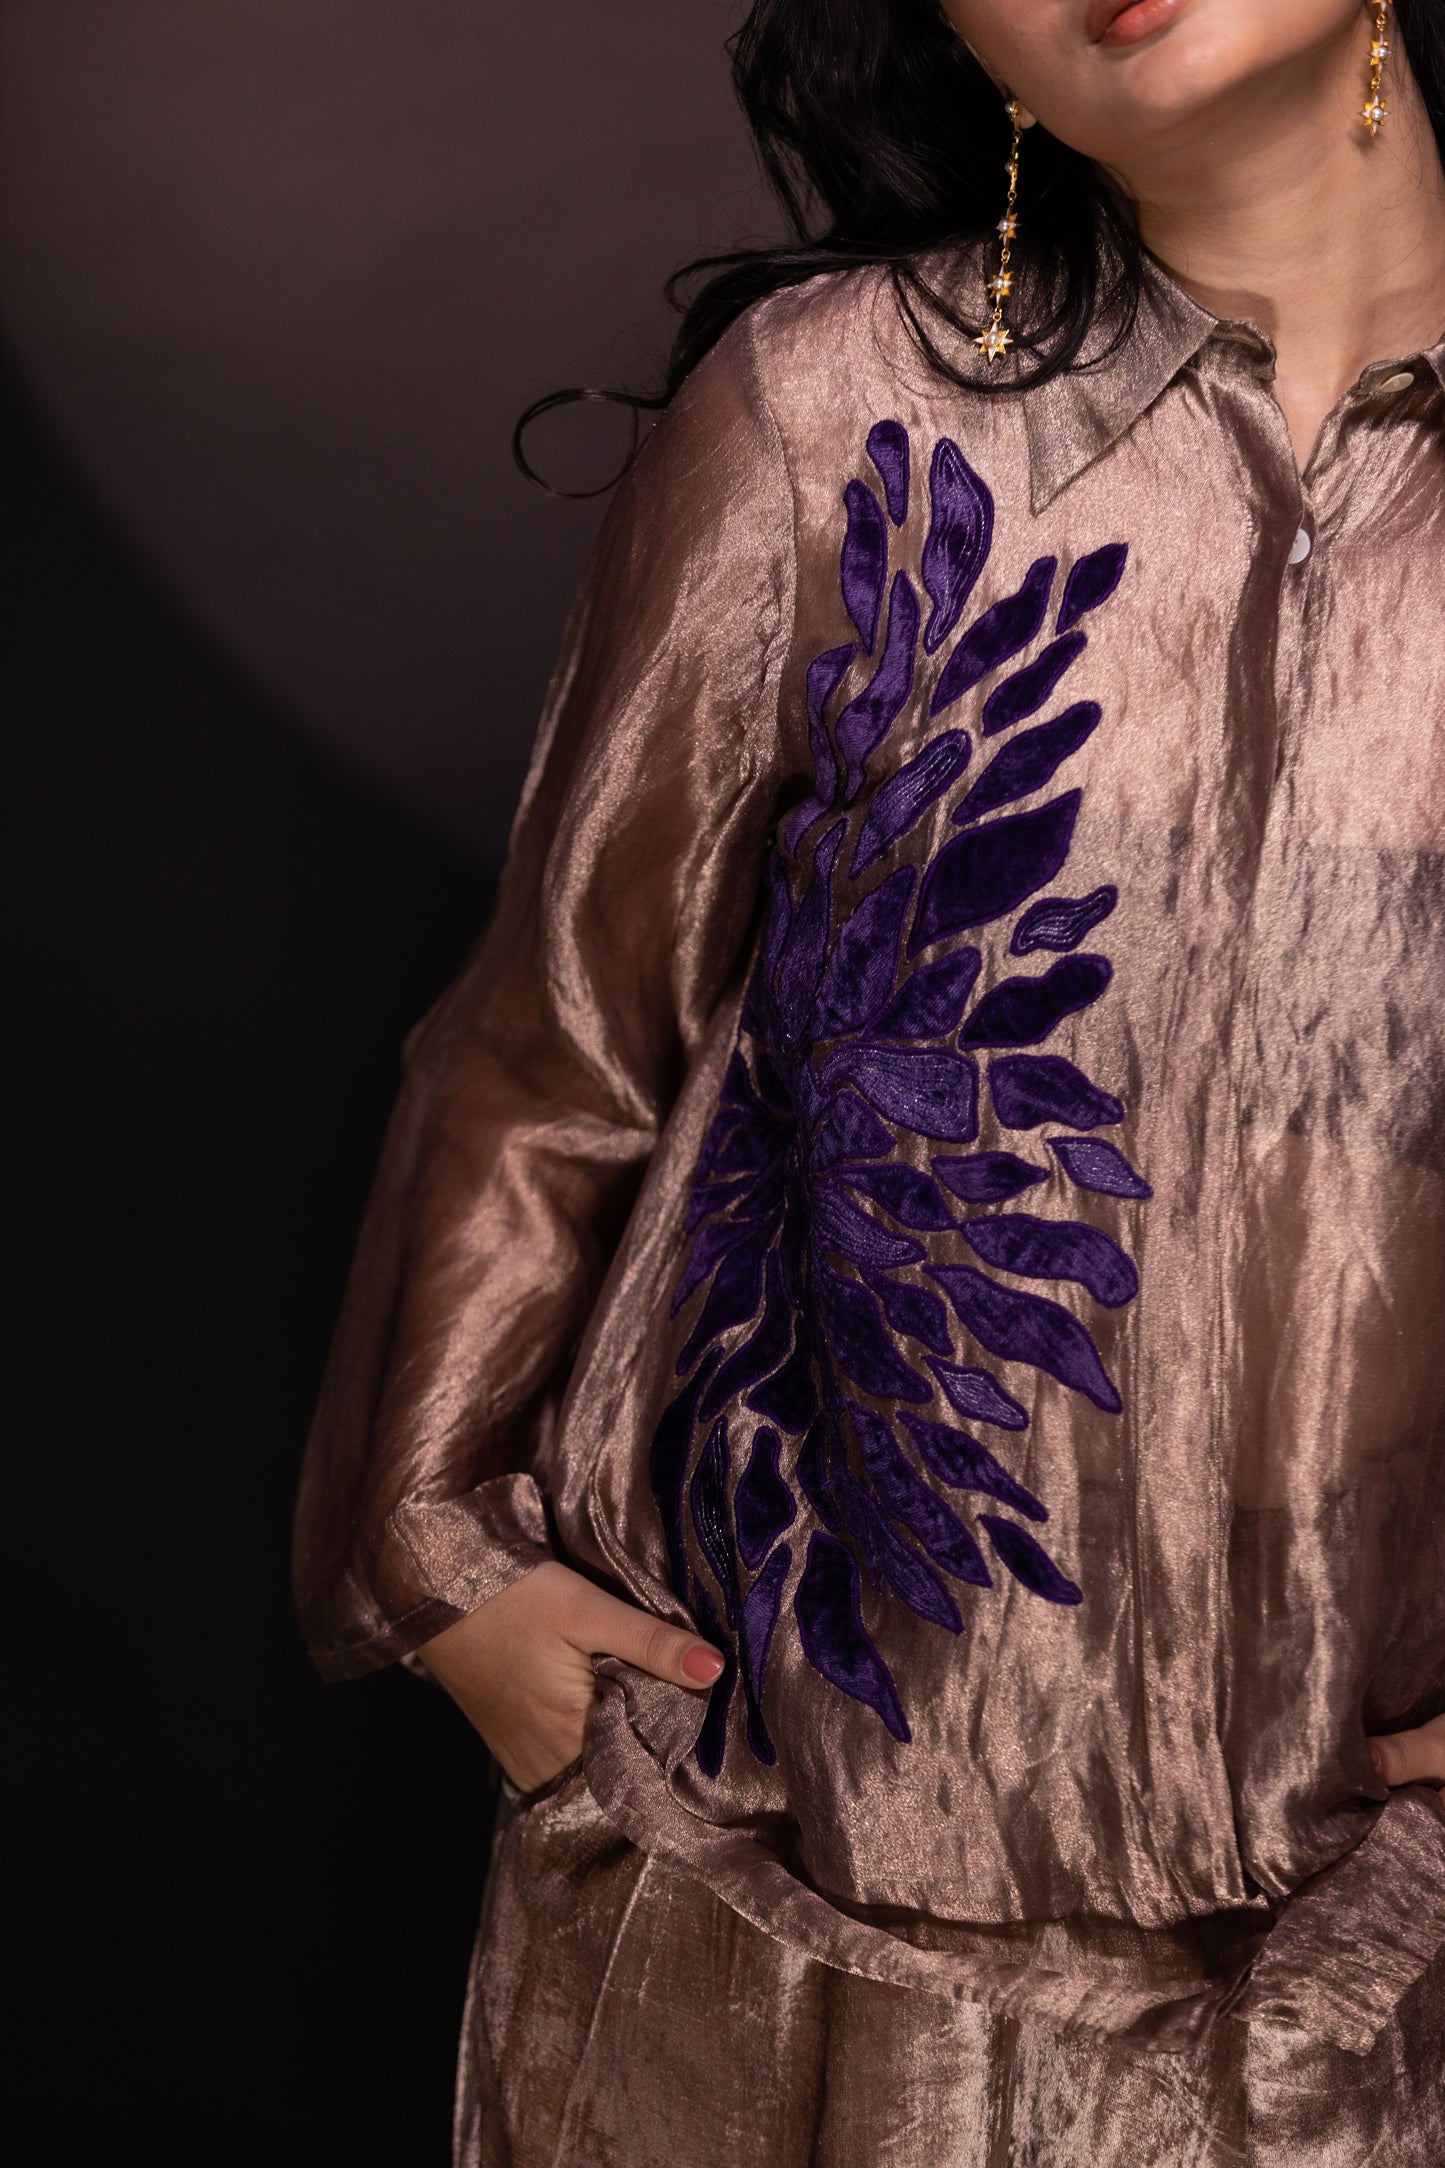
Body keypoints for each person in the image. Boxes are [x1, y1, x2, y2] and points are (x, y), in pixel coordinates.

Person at [293, 1, 1445, 2159]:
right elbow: (554, 1039)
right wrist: (444, 1556)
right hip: (797, 1896)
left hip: (1383, 1948)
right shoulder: (830, 416)